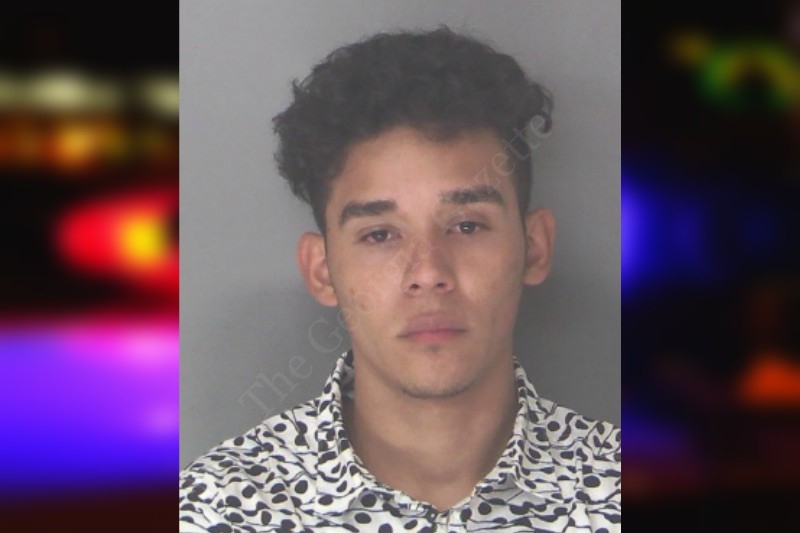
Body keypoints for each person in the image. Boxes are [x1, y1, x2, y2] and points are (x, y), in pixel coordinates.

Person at [180, 26, 620, 532]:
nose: (428, 273)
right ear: (322, 270)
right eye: (380, 235)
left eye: (467, 226)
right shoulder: (213, 510)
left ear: (534, 247)